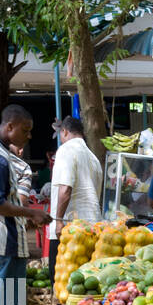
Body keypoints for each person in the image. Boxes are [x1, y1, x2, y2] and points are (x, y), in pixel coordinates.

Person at [0, 105, 51, 305]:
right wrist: (30, 213)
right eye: (26, 130)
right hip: (4, 244)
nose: (29, 135)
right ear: (9, 127)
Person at [50, 116, 103, 286]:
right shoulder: (93, 158)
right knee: (86, 285)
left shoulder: (66, 150)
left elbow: (65, 188)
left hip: (70, 230)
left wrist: (58, 221)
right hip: (93, 228)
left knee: (62, 283)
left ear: (64, 132)